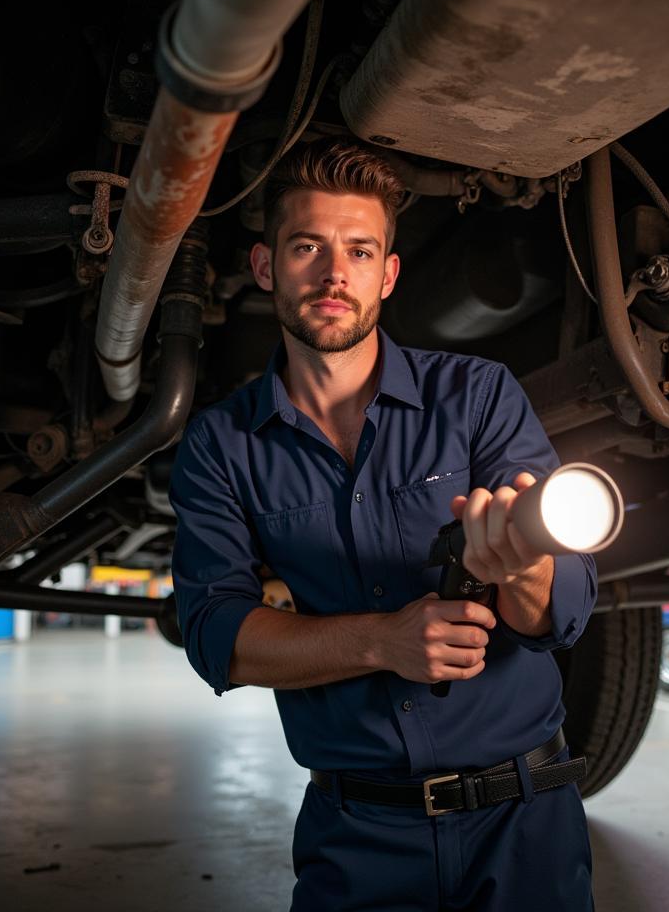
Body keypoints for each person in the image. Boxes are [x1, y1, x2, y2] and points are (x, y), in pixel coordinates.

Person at [169, 137, 597, 911]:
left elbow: (561, 613)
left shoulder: (477, 397)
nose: (335, 274)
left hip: (524, 823)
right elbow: (214, 635)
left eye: (360, 251)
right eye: (308, 247)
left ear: (388, 274)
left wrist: (521, 565)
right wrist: (383, 641)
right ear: (267, 267)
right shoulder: (221, 444)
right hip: (358, 834)